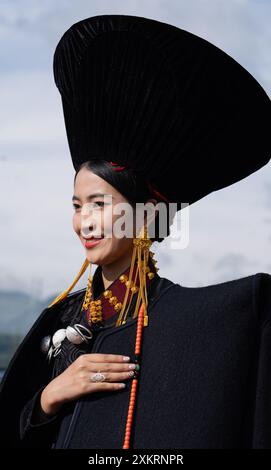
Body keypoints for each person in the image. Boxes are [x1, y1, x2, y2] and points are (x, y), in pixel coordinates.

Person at [0, 14, 271, 449]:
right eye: (76, 205)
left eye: (99, 204)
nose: (84, 220)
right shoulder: (57, 321)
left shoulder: (215, 322)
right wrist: (48, 398)